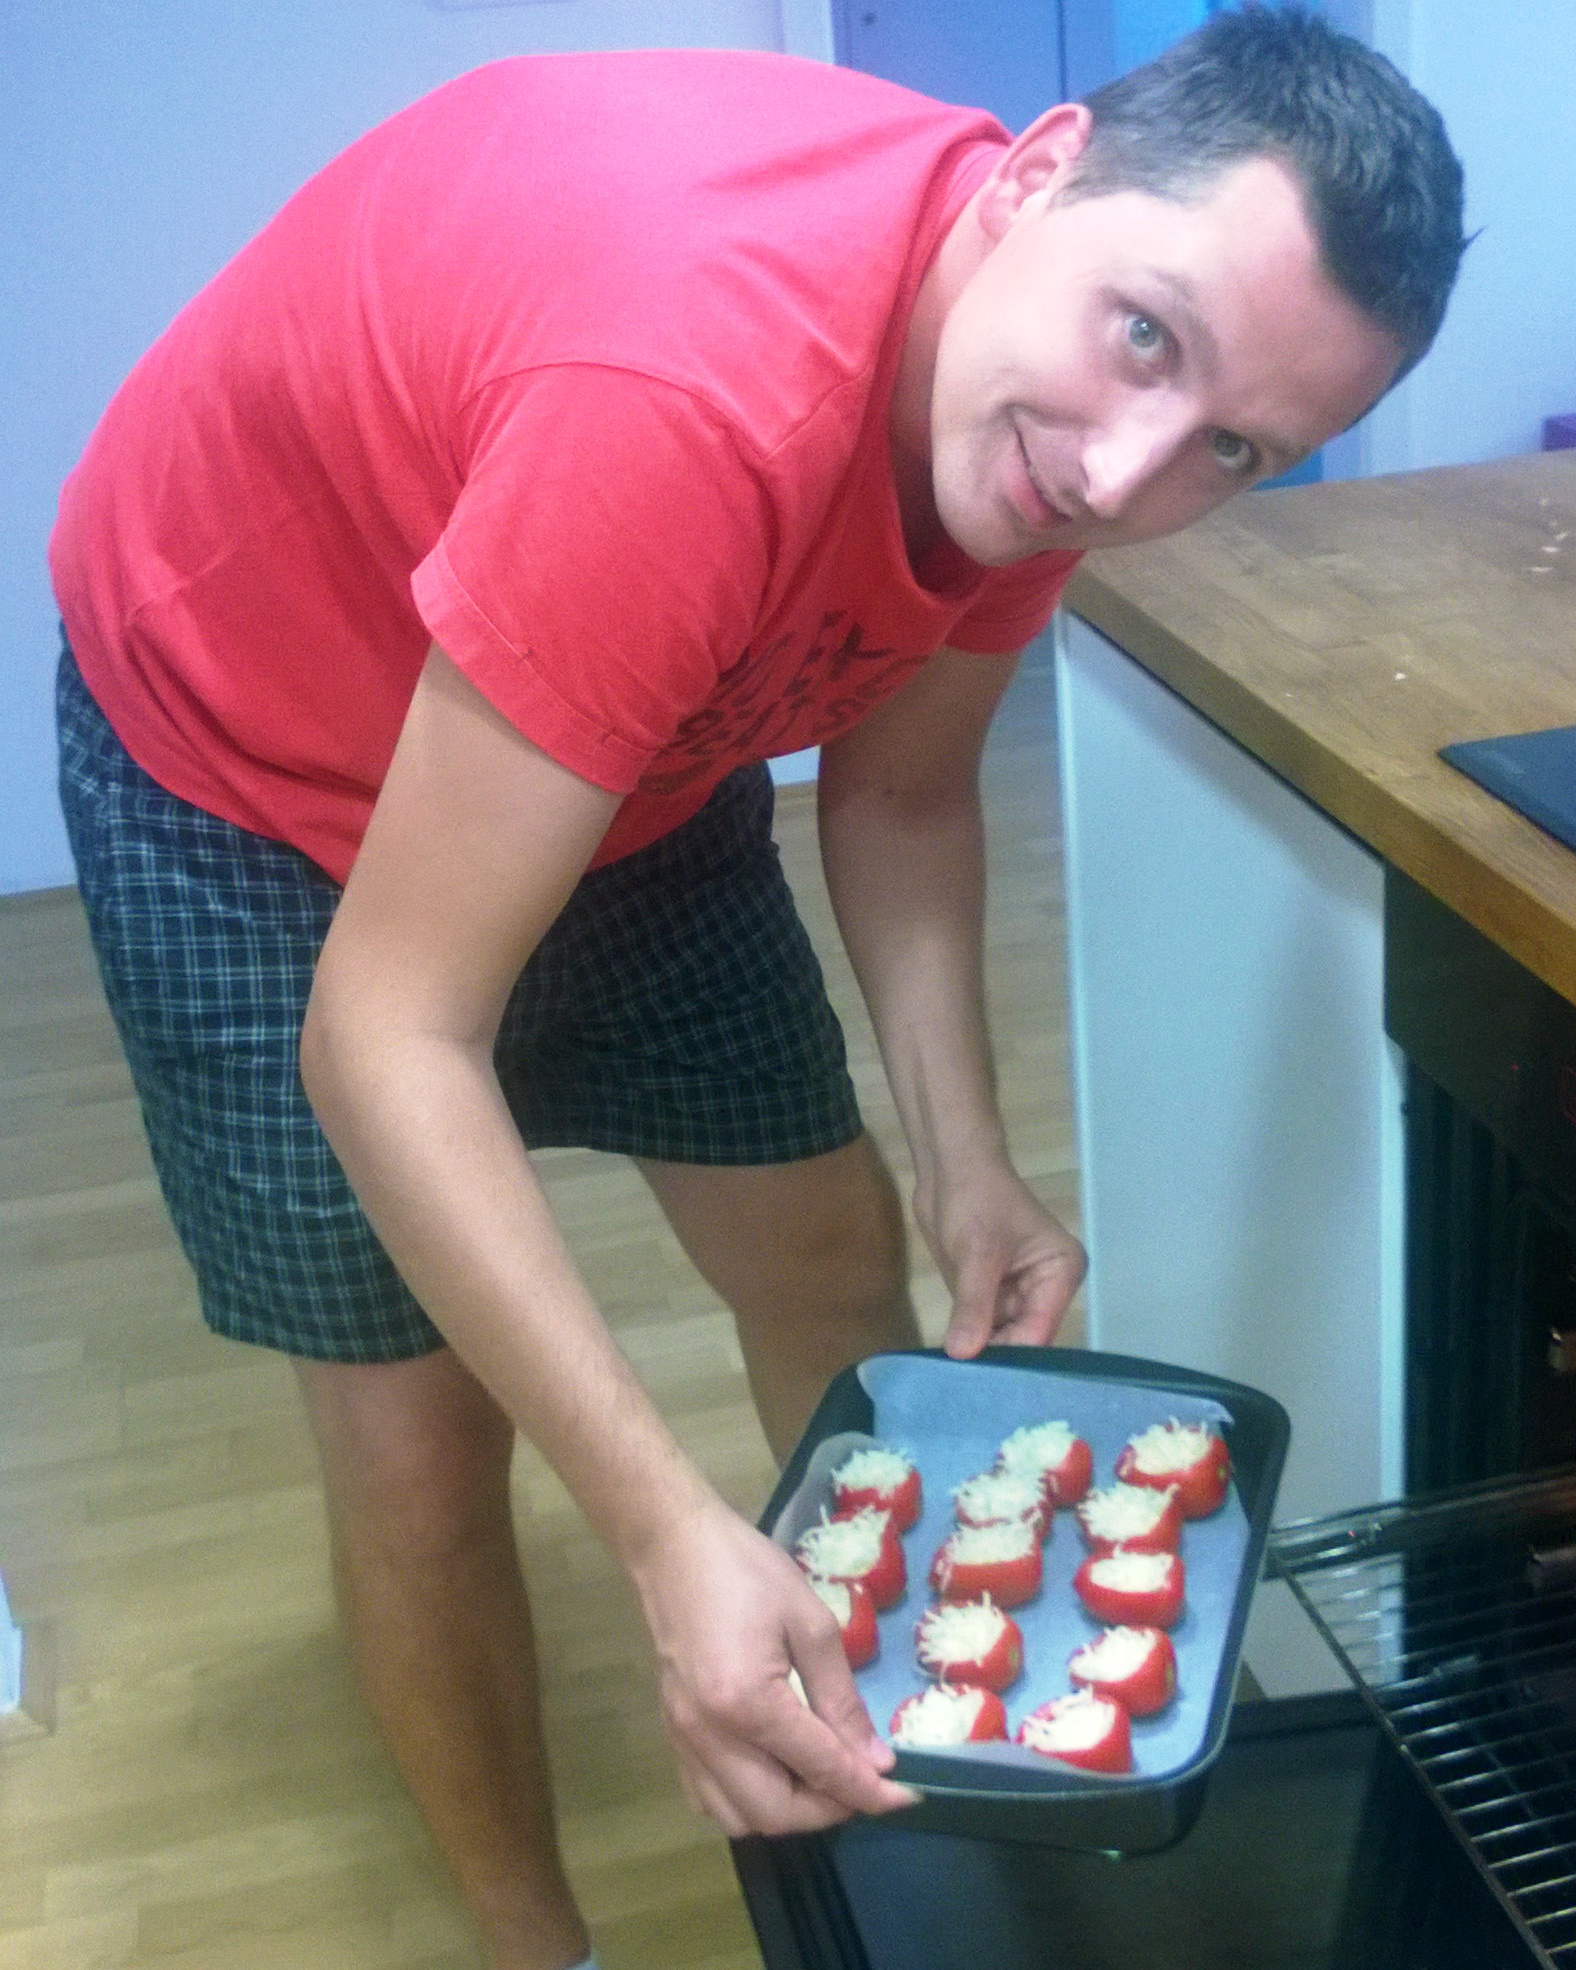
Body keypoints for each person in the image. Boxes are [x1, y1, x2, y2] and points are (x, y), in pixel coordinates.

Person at [49, 9, 1465, 1966]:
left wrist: (971, 1160)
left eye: (1235, 446)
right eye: (1148, 336)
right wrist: (664, 1533)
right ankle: (541, 1942)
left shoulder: (1030, 422)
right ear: (1035, 174)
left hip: (627, 731)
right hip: (247, 762)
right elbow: (389, 1032)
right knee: (422, 1437)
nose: (1127, 469)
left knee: (829, 1249)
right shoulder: (693, 396)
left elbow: (903, 790)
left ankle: (907, 1805)